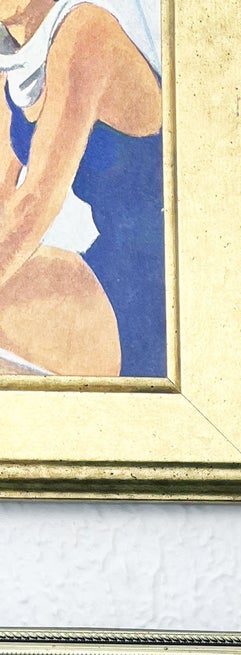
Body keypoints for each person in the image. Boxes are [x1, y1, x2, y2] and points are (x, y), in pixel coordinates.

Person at [0, 0, 163, 376]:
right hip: (104, 261)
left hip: (155, 285)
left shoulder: (87, 32)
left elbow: (32, 207)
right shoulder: (10, 60)